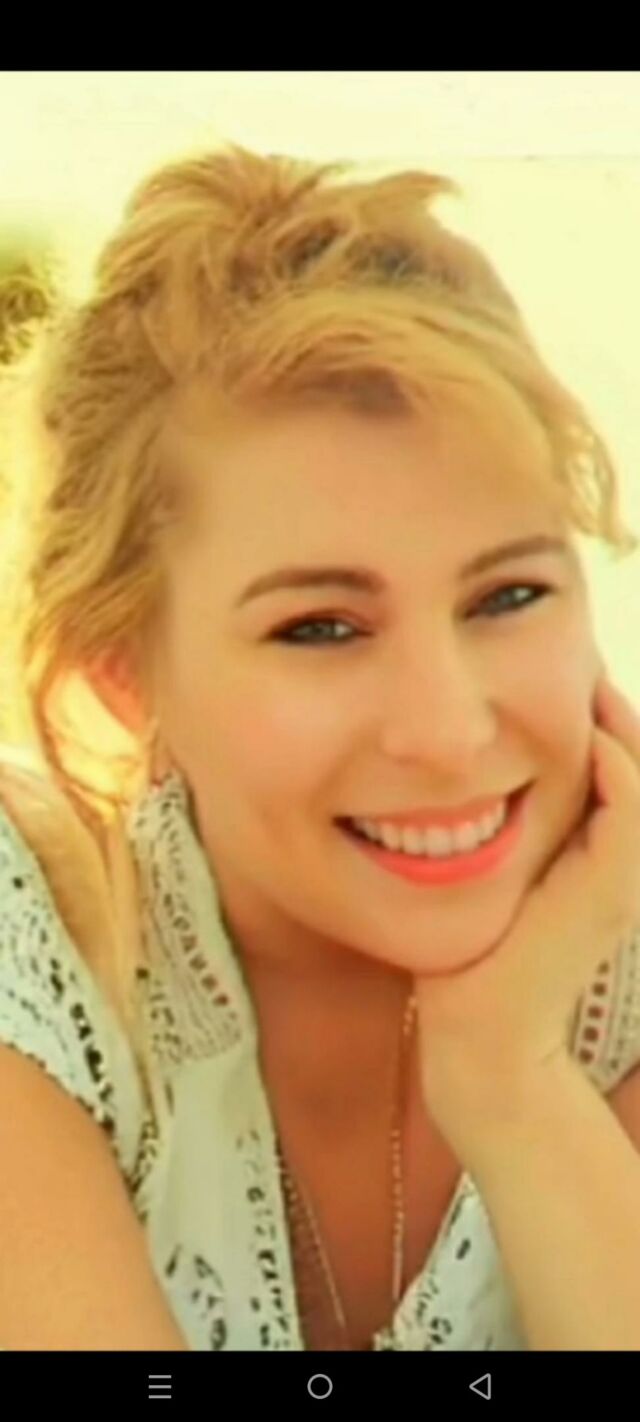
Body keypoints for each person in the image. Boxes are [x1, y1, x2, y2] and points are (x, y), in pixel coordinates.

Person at [0, 143, 639, 1353]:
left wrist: (511, 1082)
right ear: (122, 678)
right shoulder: (33, 947)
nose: (447, 733)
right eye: (320, 628)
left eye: (506, 596)